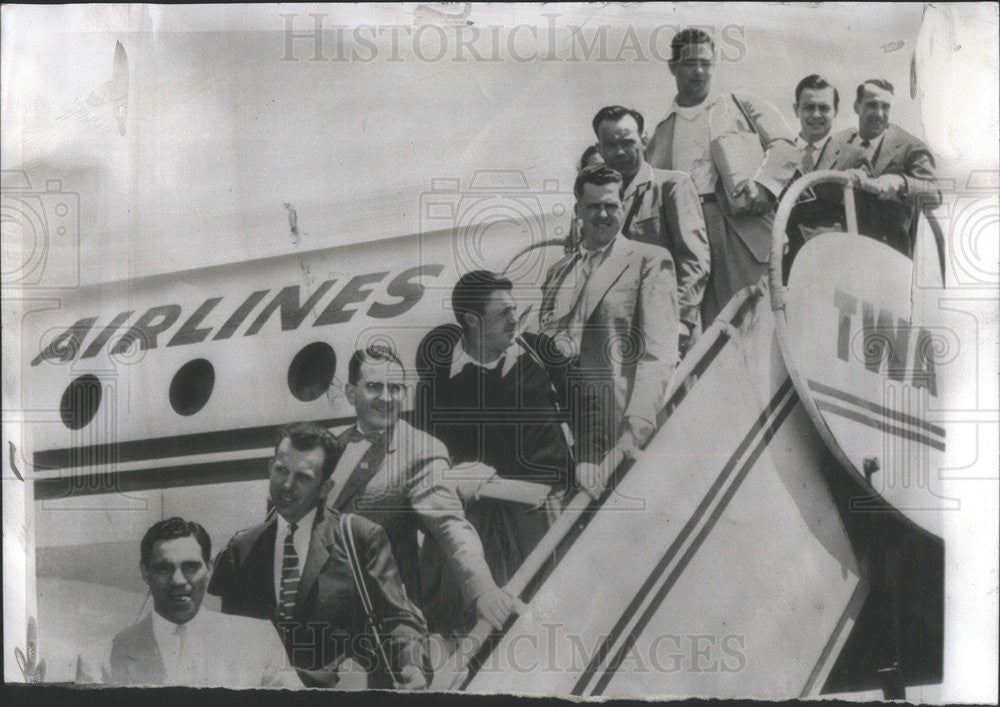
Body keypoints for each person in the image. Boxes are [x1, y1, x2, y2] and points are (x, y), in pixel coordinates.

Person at [415, 270, 613, 637]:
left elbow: (587, 405)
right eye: (503, 312)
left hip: (554, 512)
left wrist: (586, 458)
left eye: (514, 309)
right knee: (509, 629)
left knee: (572, 611)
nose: (514, 318)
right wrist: (459, 472)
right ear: (472, 322)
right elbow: (426, 456)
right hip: (489, 527)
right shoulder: (440, 384)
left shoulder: (538, 350)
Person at [208, 423, 430, 688]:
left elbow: (398, 617)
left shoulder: (358, 538)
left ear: (326, 487)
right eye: (281, 471)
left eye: (303, 477)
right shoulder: (242, 547)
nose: (287, 485)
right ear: (270, 468)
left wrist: (411, 664)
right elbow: (229, 636)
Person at [324, 345, 519, 636]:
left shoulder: (420, 449)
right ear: (351, 393)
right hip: (323, 613)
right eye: (374, 386)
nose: (387, 398)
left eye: (396, 388)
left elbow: (450, 526)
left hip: (383, 621)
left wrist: (483, 591)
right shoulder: (332, 447)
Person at [539, 165, 678, 492]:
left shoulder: (650, 260)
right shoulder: (557, 272)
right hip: (567, 436)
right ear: (578, 210)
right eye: (593, 206)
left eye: (611, 206)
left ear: (623, 207)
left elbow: (659, 354)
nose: (603, 214)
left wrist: (635, 428)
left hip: (619, 427)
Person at [646, 28, 793, 325]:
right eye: (689, 63)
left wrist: (764, 185)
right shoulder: (661, 131)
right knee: (703, 327)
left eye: (706, 63)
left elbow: (785, 146)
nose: (699, 71)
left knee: (755, 318)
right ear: (673, 67)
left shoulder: (739, 104)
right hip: (686, 232)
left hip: (741, 227)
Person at [76, 517, 299, 688]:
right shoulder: (98, 665)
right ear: (145, 572)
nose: (178, 581)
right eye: (164, 568)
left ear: (209, 568)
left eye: (191, 567)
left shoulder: (259, 640)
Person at [592, 105, 709, 354]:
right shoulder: (600, 203)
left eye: (627, 142)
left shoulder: (672, 186)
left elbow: (695, 261)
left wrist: (681, 323)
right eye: (611, 145)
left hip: (670, 331)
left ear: (643, 140)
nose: (620, 151)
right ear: (600, 149)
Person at [752, 74, 852, 278]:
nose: (816, 115)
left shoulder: (852, 155)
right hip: (785, 267)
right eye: (808, 107)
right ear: (796, 110)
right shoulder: (774, 155)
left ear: (836, 111)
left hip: (835, 266)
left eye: (824, 108)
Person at [834, 79, 941, 257]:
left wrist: (900, 182)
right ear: (856, 107)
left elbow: (934, 195)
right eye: (871, 105)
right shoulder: (840, 144)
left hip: (889, 257)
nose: (879, 113)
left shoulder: (911, 147)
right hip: (843, 254)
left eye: (886, 107)